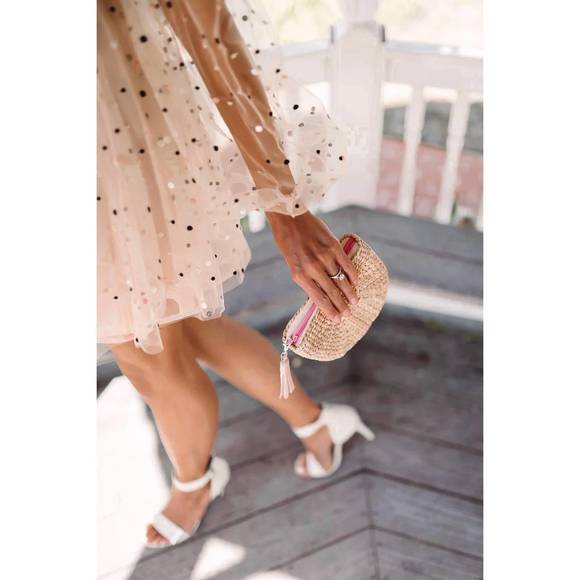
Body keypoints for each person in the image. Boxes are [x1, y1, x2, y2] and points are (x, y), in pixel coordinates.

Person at [98, 0, 374, 548]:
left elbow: (212, 35)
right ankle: (318, 422)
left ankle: (195, 483)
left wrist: (286, 209)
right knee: (183, 325)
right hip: (118, 164)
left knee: (150, 358)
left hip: (120, 173)